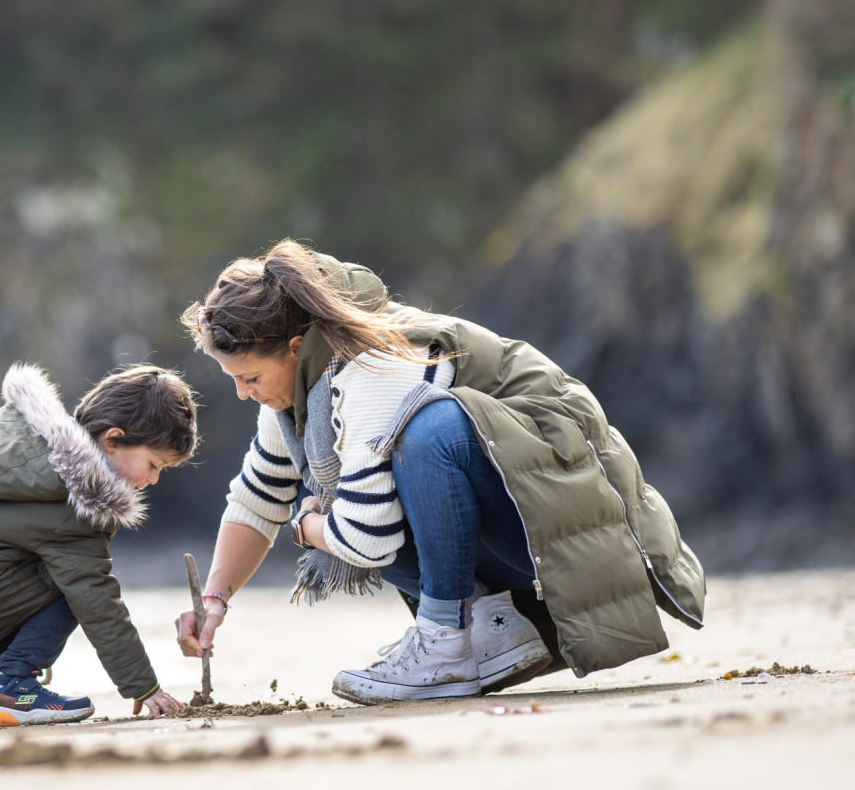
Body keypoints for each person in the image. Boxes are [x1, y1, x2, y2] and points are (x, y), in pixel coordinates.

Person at [173, 239, 705, 704]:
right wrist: (214, 599)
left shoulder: (371, 365)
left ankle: (443, 640)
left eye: (249, 377)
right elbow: (256, 499)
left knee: (428, 430)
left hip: (585, 531)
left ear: (294, 347)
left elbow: (366, 541)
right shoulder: (297, 394)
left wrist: (306, 525)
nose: (244, 394)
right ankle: (494, 623)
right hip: (524, 531)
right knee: (377, 478)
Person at [0, 361, 197, 727]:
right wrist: (144, 686)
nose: (152, 480)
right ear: (113, 439)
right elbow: (97, 601)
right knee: (75, 585)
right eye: (154, 464)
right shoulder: (78, 503)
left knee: (15, 561)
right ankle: (13, 686)